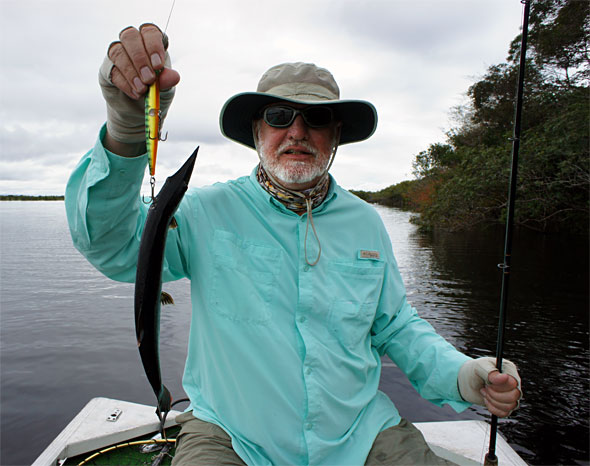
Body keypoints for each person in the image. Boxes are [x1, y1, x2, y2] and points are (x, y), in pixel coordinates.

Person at [65, 24, 522, 465]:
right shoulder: (205, 211)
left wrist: (464, 375)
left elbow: (397, 327)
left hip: (359, 434)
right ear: (257, 132)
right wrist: (127, 131)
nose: (297, 132)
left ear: (336, 135)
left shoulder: (366, 221)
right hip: (229, 433)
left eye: (317, 118)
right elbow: (114, 246)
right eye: (279, 117)